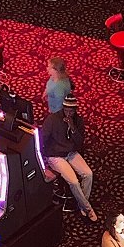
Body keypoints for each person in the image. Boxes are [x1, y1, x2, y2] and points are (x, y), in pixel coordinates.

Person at [43, 94, 97, 222]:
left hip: (71, 153)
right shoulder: (52, 119)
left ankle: (82, 204)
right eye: (66, 110)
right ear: (63, 108)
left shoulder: (78, 121)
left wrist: (72, 127)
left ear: (75, 110)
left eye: (71, 110)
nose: (69, 112)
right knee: (73, 182)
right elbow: (42, 138)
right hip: (56, 156)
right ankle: (88, 209)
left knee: (88, 174)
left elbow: (80, 142)